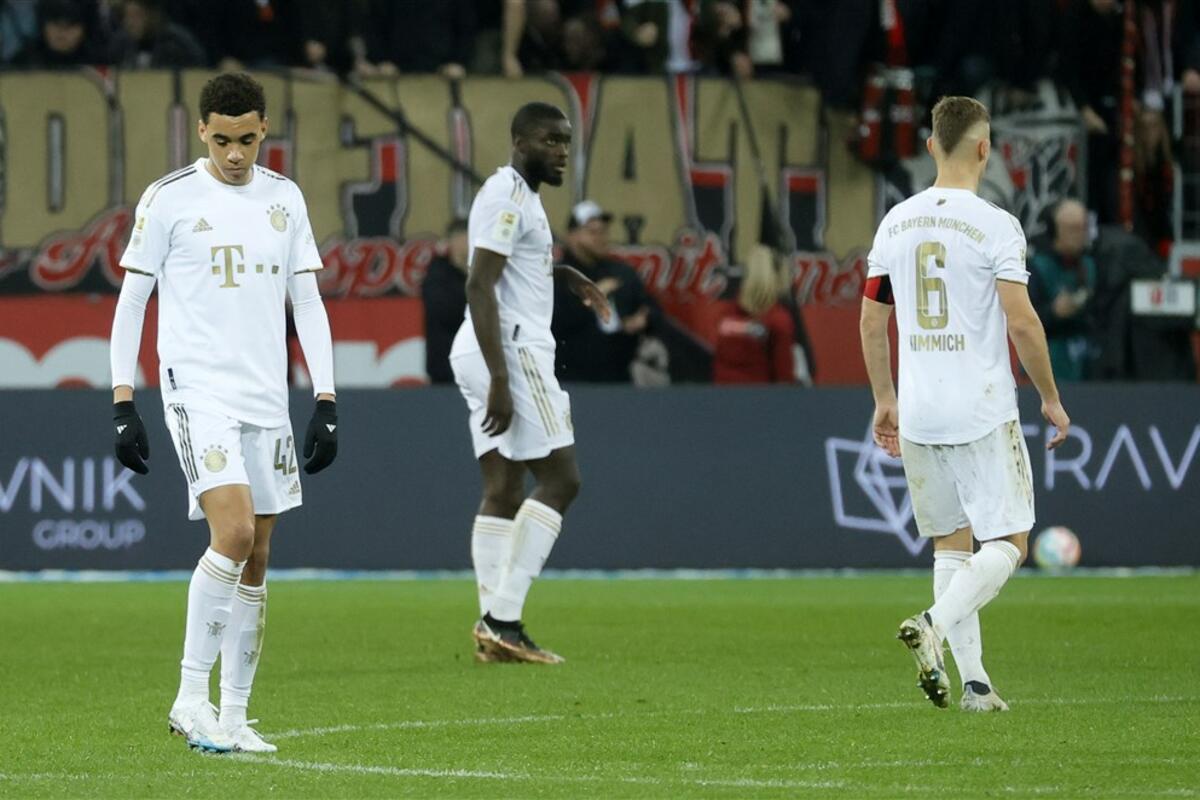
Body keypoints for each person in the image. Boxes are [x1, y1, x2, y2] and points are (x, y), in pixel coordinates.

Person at [108, 73, 337, 753]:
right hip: (197, 388)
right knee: (233, 533)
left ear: (264, 129)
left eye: (247, 140)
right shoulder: (169, 198)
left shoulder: (285, 198)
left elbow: (308, 302)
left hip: (267, 393)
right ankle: (189, 698)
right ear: (202, 131)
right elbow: (132, 302)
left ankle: (233, 716)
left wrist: (326, 397)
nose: (235, 154)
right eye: (222, 140)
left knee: (258, 556)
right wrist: (123, 399)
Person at [860, 96, 1070, 711]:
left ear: (931, 146)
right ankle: (932, 623)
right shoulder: (996, 224)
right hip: (980, 408)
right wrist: (1051, 397)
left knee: (951, 546)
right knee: (1011, 542)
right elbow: (1022, 322)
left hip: (920, 411)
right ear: (985, 148)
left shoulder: (895, 222)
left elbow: (872, 322)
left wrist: (884, 399)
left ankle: (976, 686)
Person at [449, 101, 609, 664]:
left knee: (503, 487)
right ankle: (503, 619)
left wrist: (559, 273)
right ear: (519, 142)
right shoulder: (509, 196)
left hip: (483, 347)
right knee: (562, 479)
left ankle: (494, 629)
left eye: (566, 141)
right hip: (510, 350)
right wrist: (500, 376)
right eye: (550, 140)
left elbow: (506, 268)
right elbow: (479, 284)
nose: (562, 151)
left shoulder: (520, 197)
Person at [552, 200, 660, 383]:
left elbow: (652, 310)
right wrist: (590, 299)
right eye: (592, 232)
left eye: (603, 231)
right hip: (571, 380)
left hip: (619, 378)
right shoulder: (558, 276)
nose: (600, 238)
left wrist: (642, 320)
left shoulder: (621, 273)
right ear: (571, 236)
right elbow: (555, 324)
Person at [1028, 199, 1097, 381]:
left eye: (1083, 228)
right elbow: (1024, 320)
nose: (1080, 235)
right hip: (1050, 359)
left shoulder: (1090, 265)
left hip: (1086, 362)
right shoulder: (1037, 267)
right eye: (1073, 229)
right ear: (1055, 231)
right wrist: (1054, 312)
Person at [711, 244, 795, 384]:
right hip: (760, 395)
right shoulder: (779, 320)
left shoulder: (726, 315)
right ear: (776, 278)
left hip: (722, 394)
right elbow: (784, 376)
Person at [422, 218, 470, 384]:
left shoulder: (486, 275)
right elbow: (446, 312)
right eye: (462, 237)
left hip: (479, 369)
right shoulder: (437, 275)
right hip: (445, 371)